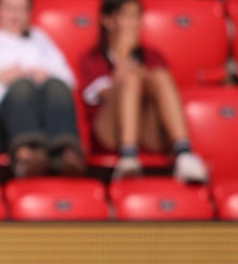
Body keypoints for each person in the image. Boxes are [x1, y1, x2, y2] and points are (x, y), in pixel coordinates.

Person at [79, 0, 207, 181]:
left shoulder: (152, 56)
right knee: (131, 80)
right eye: (127, 16)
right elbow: (103, 94)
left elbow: (162, 92)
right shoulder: (92, 59)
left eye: (137, 16)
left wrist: (142, 76)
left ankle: (184, 153)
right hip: (110, 133)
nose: (134, 23)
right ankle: (128, 156)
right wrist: (124, 56)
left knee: (160, 76)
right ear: (108, 20)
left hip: (148, 130)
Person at [0, 0, 85, 178]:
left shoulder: (40, 38)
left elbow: (69, 80)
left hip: (43, 119)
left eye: (20, 10)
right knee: (22, 87)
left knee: (56, 85)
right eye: (9, 9)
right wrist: (0, 76)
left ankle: (65, 155)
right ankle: (25, 156)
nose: (15, 15)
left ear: (29, 13)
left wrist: (47, 74)